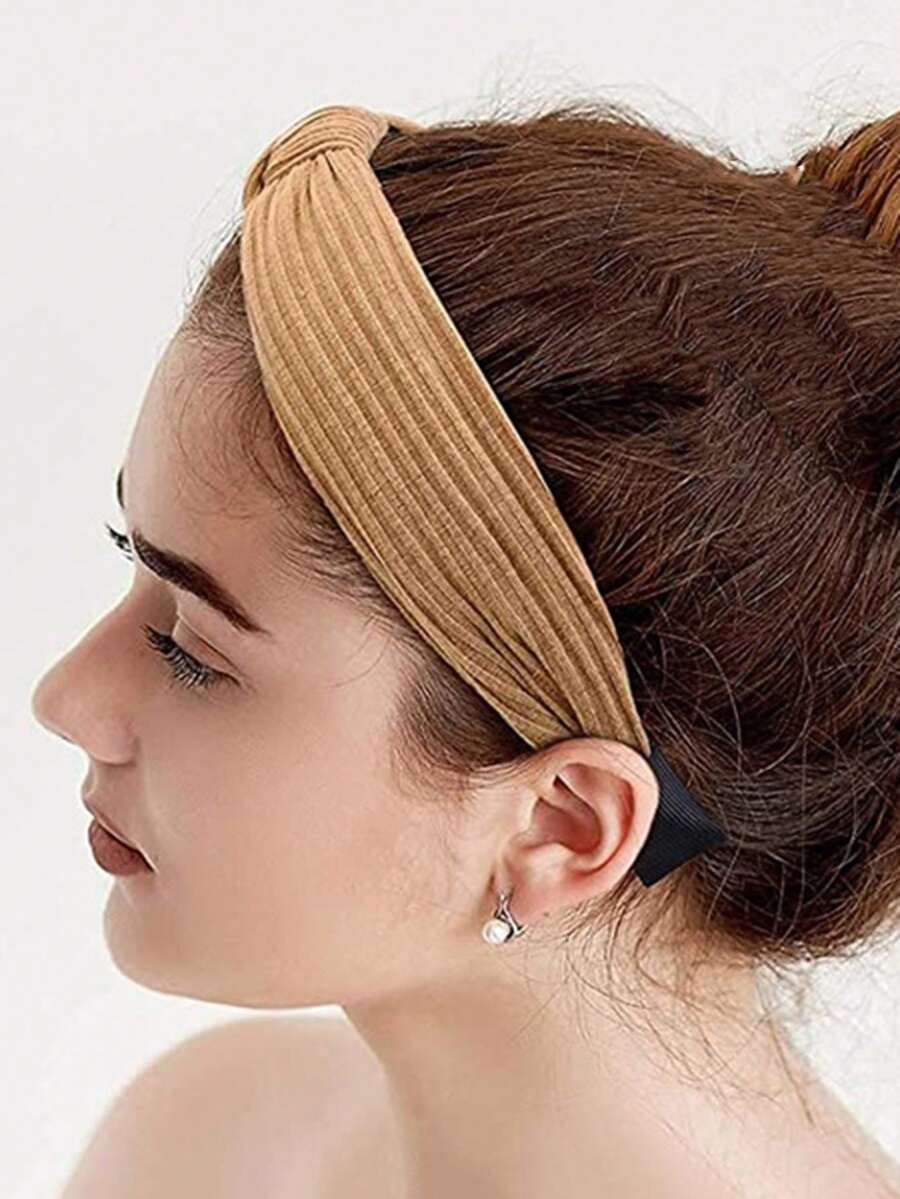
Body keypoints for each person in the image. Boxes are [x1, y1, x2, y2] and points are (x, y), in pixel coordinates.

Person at [31, 98, 900, 1198]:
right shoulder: (206, 1139)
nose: (65, 696)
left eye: (196, 651)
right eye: (133, 552)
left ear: (561, 824)